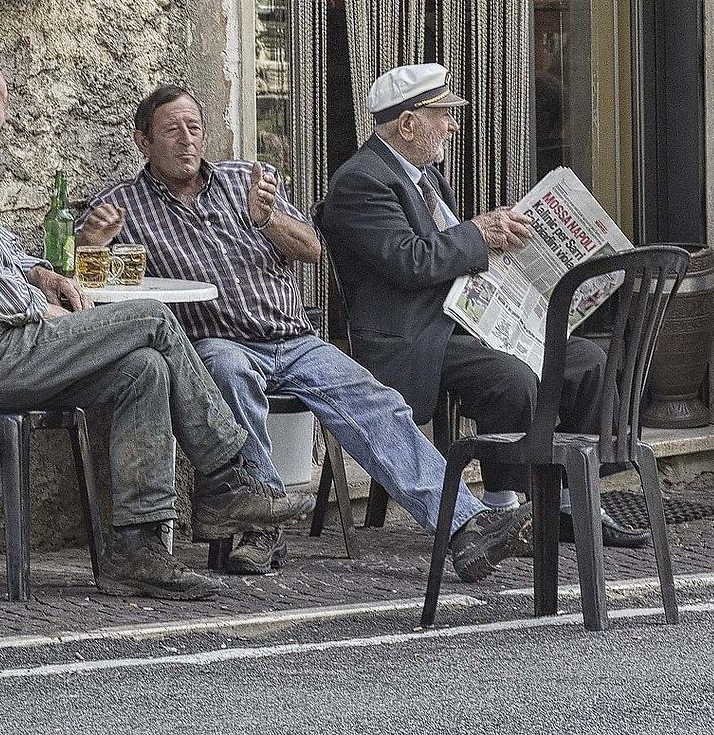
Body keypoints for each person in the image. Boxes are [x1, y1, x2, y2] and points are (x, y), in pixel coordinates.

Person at [0, 53, 312, 601]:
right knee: (150, 317)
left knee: (143, 369)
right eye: (3, 104)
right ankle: (226, 476)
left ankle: (138, 553)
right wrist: (48, 307)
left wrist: (42, 274)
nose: (6, 117)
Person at [85, 83, 527, 581]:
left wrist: (268, 218)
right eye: (171, 131)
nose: (187, 140)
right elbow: (86, 281)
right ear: (144, 142)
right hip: (216, 339)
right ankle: (261, 526)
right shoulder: (121, 205)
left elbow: (313, 250)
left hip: (293, 338)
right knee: (227, 373)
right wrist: (91, 242)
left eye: (194, 128)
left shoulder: (246, 180)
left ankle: (464, 527)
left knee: (375, 403)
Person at [318, 63, 642, 546]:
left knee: (587, 362)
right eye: (443, 114)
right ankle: (502, 514)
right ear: (408, 124)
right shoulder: (361, 182)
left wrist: (495, 239)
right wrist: (477, 233)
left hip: (465, 319)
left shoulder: (423, 175)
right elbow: (410, 260)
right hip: (416, 336)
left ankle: (577, 504)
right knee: (510, 379)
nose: (452, 124)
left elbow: (443, 243)